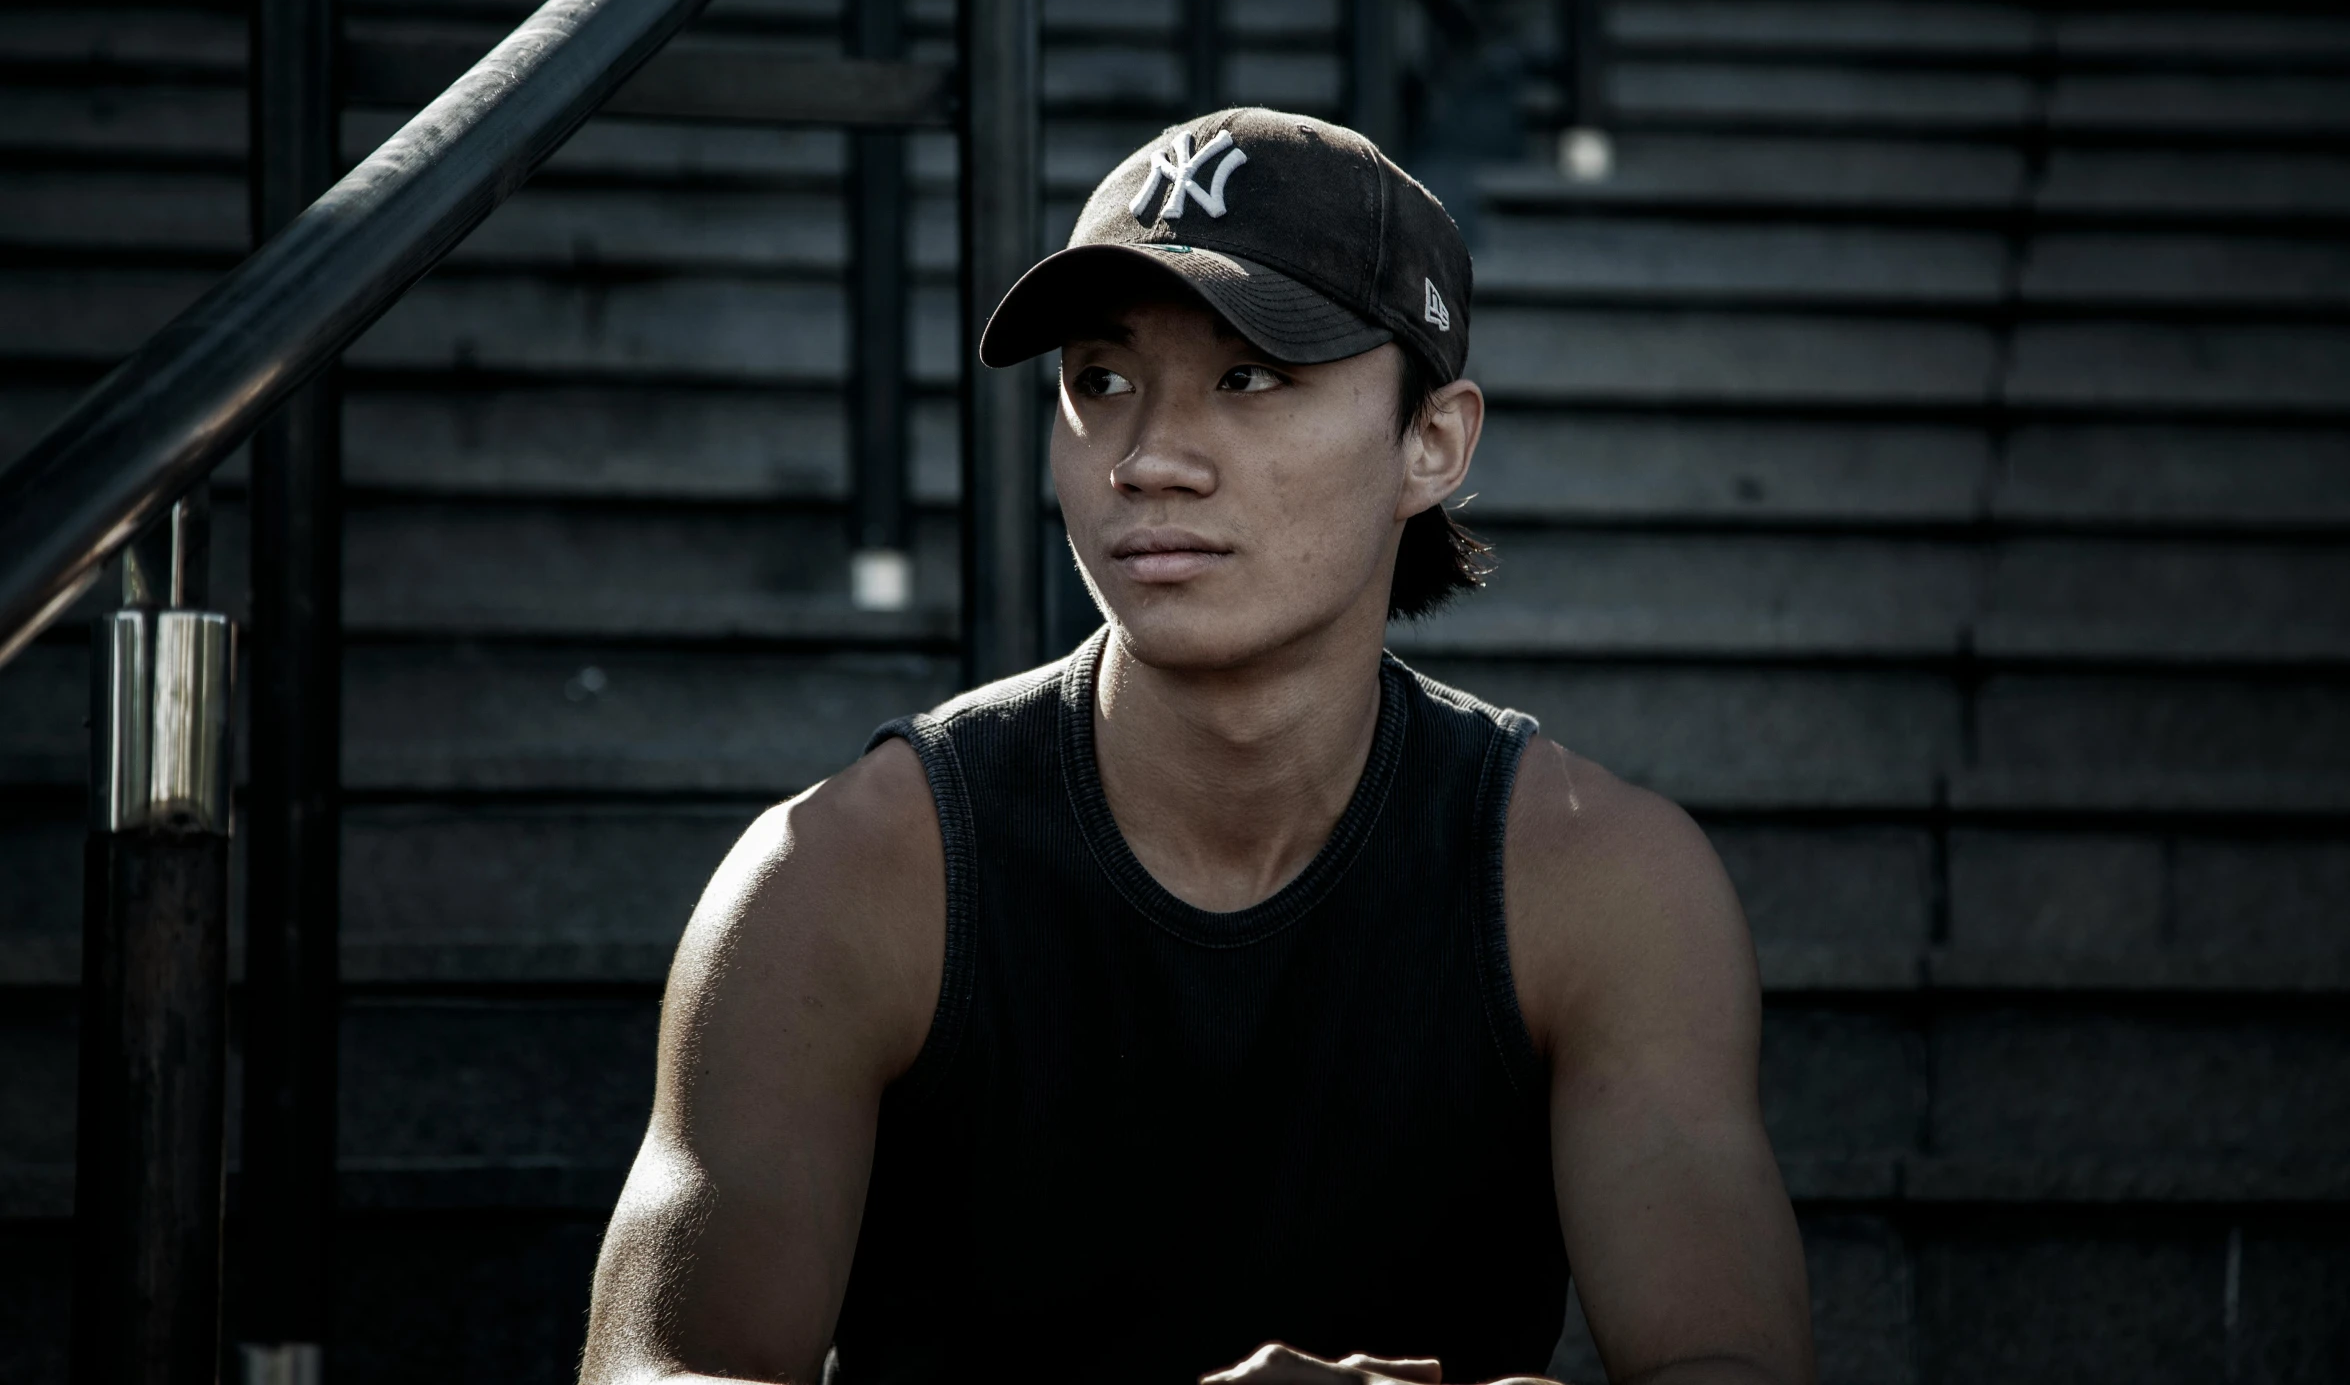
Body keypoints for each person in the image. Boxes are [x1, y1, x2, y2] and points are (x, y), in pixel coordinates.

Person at [578, 109, 1814, 1385]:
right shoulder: (839, 874)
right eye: (1100, 382)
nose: (1150, 459)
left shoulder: (1597, 883)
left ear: (1431, 443)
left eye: (1250, 377)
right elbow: (654, 1371)